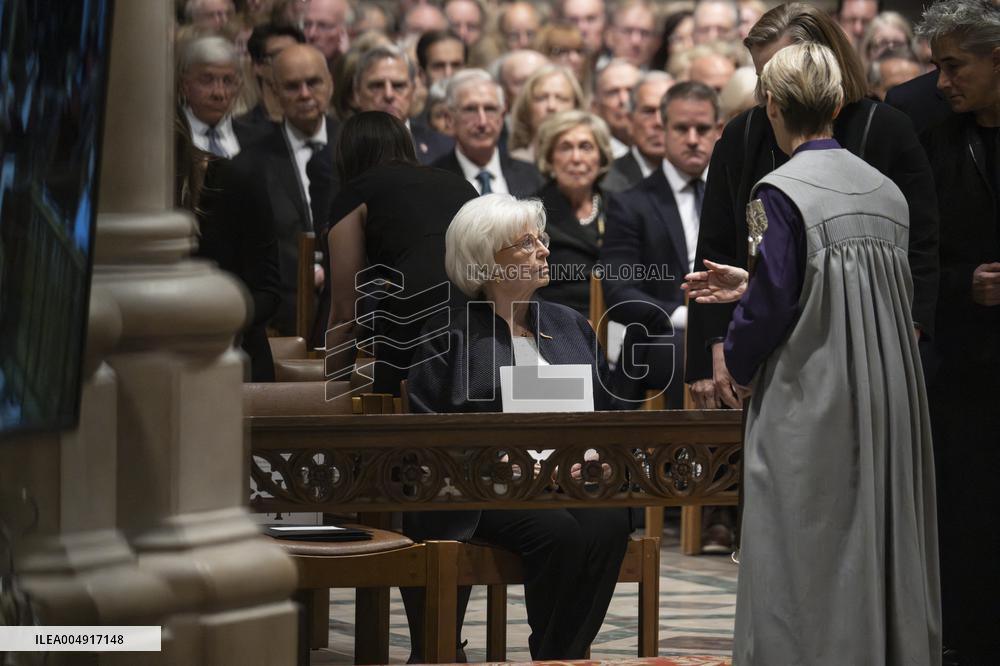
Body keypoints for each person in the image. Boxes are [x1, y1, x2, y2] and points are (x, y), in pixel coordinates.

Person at [683, 42, 940, 666]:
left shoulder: (781, 191)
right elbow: (850, 290)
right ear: (836, 103)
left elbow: (773, 307)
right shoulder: (884, 189)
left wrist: (737, 364)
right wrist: (755, 286)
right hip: (886, 392)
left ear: (771, 105)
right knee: (872, 537)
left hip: (811, 391)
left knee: (798, 545)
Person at [404, 193, 630, 661]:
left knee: (610, 521)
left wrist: (596, 458)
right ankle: (558, 654)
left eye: (542, 239)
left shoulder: (570, 326)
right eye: (527, 243)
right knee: (559, 533)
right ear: (487, 259)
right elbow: (427, 430)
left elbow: (607, 414)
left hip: (566, 483)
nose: (544, 250)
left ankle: (562, 653)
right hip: (479, 490)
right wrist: (493, 461)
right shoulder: (449, 331)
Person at [685, 2, 939, 411]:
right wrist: (712, 349)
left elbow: (922, 247)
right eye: (761, 77)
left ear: (820, 60)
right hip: (759, 344)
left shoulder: (886, 129)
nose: (768, 93)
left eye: (778, 73)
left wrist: (908, 333)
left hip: (866, 342)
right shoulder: (743, 134)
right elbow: (713, 249)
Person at [916, 2, 1000, 663]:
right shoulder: (941, 143)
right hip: (967, 369)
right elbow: (917, 259)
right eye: (937, 67)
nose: (942, 82)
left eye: (954, 65)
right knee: (968, 527)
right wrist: (963, 282)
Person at [325, 111, 477, 395]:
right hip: (483, 307)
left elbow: (346, 317)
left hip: (416, 311)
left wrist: (332, 399)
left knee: (395, 425)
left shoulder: (354, 193)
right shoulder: (458, 182)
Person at [603, 81, 721, 408]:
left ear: (719, 130)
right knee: (685, 348)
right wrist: (688, 318)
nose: (693, 139)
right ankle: (683, 457)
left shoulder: (736, 198)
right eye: (682, 128)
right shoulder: (630, 204)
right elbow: (619, 292)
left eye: (702, 128)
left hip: (729, 332)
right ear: (664, 129)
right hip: (662, 337)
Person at [207, 44, 338, 338]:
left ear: (330, 84)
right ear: (274, 92)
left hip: (347, 315)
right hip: (280, 317)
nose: (304, 94)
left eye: (313, 82)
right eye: (292, 86)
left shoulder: (356, 146)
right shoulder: (248, 163)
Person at [531, 110, 613, 315]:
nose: (576, 158)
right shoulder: (532, 214)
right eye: (565, 148)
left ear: (601, 157)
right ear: (550, 158)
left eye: (586, 147)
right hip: (555, 324)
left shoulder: (621, 208)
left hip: (620, 321)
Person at [433, 69, 543, 197]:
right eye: (470, 110)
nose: (482, 122)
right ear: (449, 119)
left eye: (490, 109)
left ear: (502, 117)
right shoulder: (434, 181)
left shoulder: (531, 176)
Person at [352, 44, 454, 163]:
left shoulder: (444, 148)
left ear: (413, 90)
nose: (388, 95)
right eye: (377, 86)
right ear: (357, 92)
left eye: (398, 86)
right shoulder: (335, 148)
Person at [177, 35, 254, 159]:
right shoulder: (170, 139)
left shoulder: (255, 138)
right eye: (207, 80)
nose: (219, 93)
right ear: (184, 85)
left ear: (238, 87)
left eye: (228, 81)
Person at [602, 71, 672, 193]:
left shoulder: (703, 177)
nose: (659, 122)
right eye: (648, 112)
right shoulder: (607, 183)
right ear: (630, 120)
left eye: (666, 111)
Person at [508, 64, 584, 163]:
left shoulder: (589, 164)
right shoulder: (513, 164)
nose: (551, 106)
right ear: (526, 107)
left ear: (576, 107)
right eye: (541, 98)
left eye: (561, 98)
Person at [592, 59, 642, 158]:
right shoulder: (591, 156)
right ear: (595, 105)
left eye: (631, 91)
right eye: (613, 92)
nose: (624, 100)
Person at [605, 0, 660, 69]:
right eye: (627, 31)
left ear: (657, 42)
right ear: (609, 36)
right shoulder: (590, 75)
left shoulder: (663, 79)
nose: (636, 41)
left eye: (645, 33)